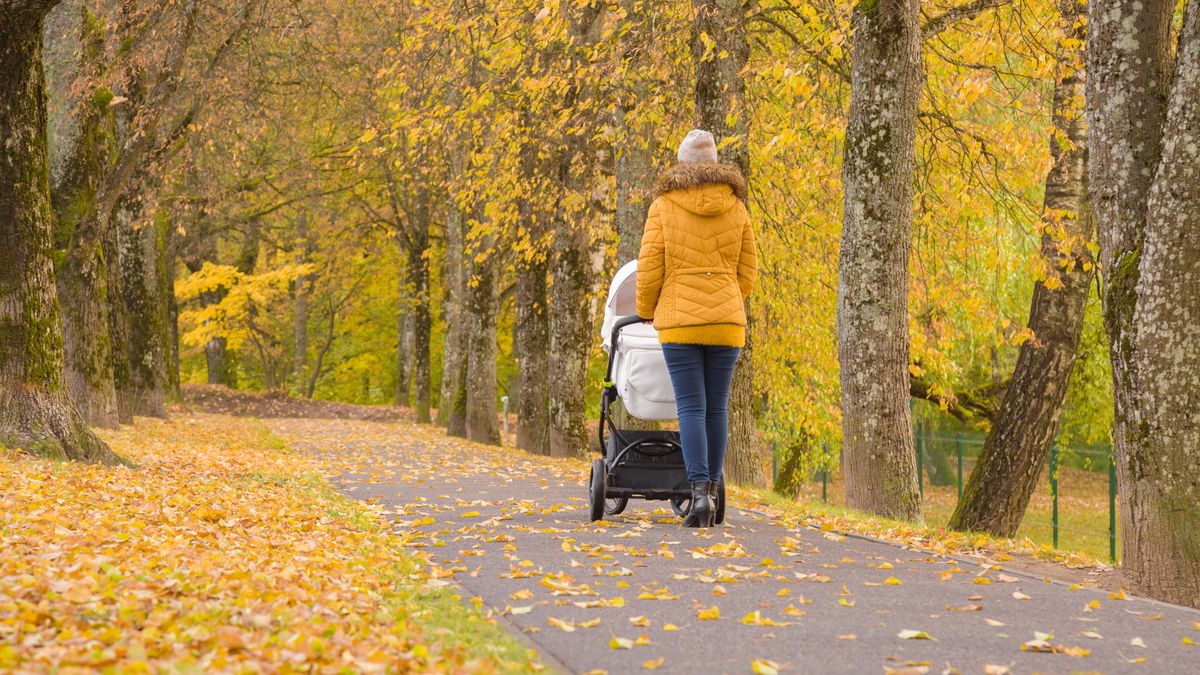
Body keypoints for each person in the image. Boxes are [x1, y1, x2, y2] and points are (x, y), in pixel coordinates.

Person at [635, 129, 757, 528]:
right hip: (726, 322)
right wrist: (724, 298)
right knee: (716, 408)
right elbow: (748, 271)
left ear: (682, 163)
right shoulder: (736, 206)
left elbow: (651, 265)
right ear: (715, 162)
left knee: (691, 406)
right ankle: (714, 493)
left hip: (680, 322)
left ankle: (699, 492)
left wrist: (648, 309)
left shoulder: (664, 205)